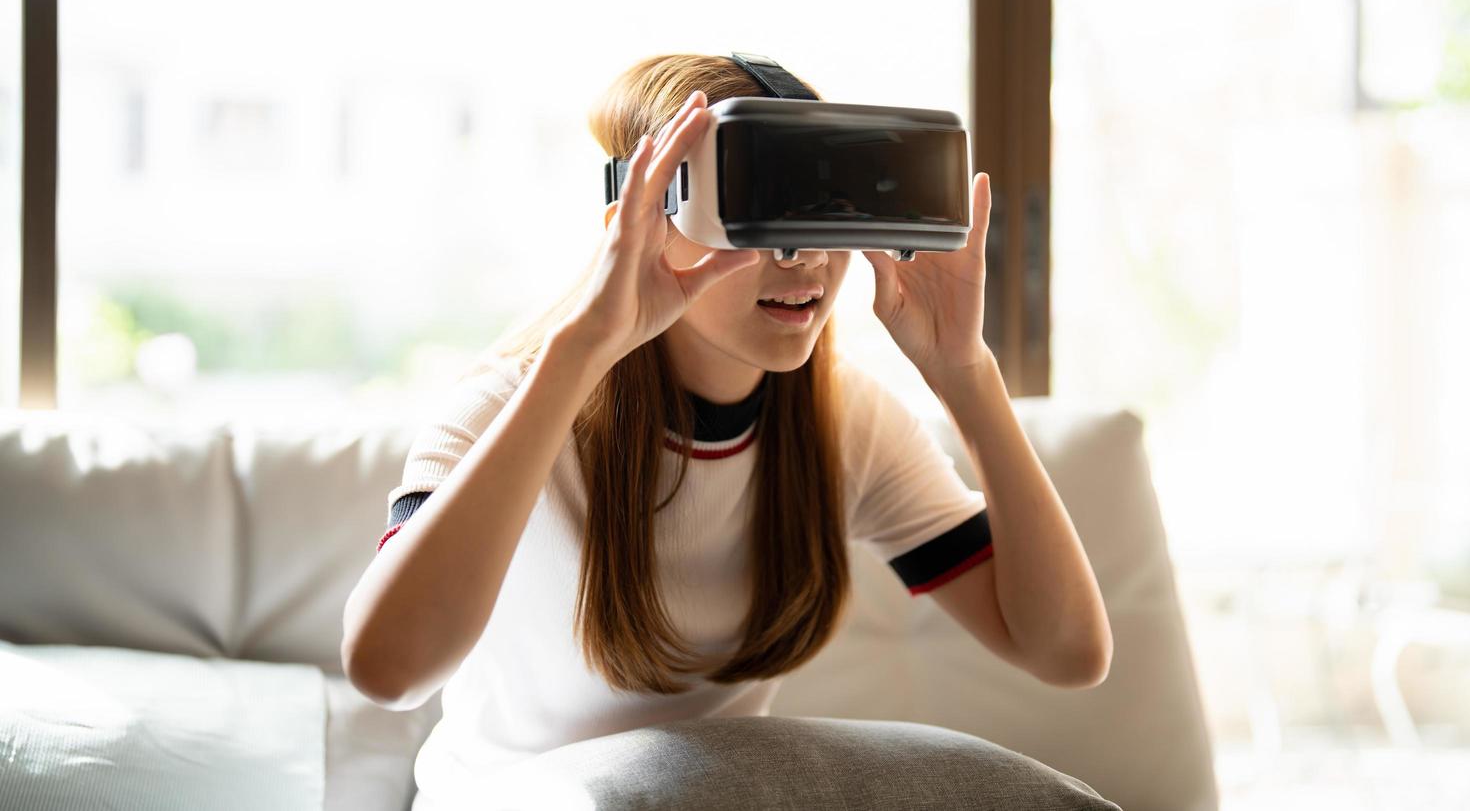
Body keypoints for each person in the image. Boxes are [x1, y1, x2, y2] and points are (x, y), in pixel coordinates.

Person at [340, 53, 1114, 808]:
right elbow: (388, 669)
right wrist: (580, 351)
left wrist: (964, 374)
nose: (802, 253)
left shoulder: (846, 423)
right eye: (756, 208)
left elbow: (1067, 651)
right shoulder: (506, 406)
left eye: (821, 206)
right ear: (647, 213)